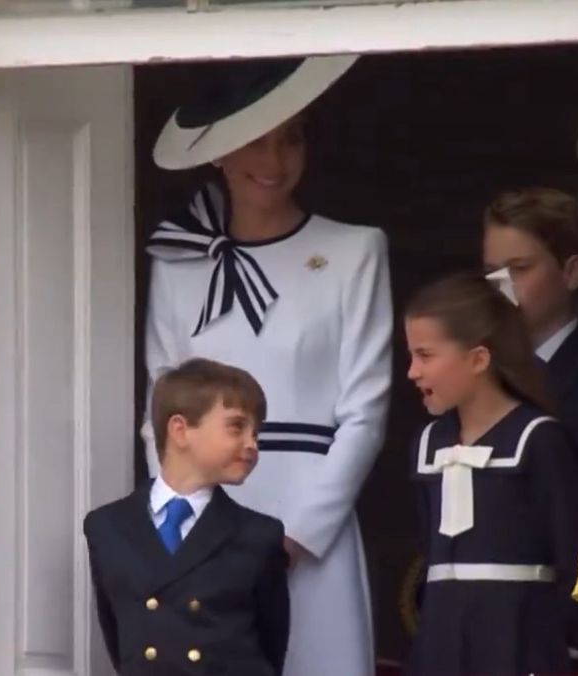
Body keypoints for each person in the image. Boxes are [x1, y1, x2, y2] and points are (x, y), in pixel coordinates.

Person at [142, 55, 391, 676]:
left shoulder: (354, 250)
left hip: (312, 524)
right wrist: (187, 524)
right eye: (255, 142)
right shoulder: (178, 262)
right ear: (219, 152)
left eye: (291, 138)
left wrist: (297, 536)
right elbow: (159, 410)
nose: (275, 162)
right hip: (211, 522)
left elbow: (365, 412)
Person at [403, 272, 578, 676]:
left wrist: (572, 646)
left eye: (425, 356)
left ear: (478, 359)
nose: (412, 372)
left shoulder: (538, 440)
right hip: (442, 646)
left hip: (520, 643)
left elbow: (573, 554)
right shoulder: (427, 446)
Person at [84, 358, 290, 675]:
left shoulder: (258, 535)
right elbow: (118, 636)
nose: (252, 444)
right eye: (237, 426)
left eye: (255, 433)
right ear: (180, 430)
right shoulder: (107, 528)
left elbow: (271, 644)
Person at [482, 186, 578, 673]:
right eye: (492, 271)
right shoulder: (477, 378)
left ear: (571, 271)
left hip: (571, 637)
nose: (502, 286)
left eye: (520, 268)